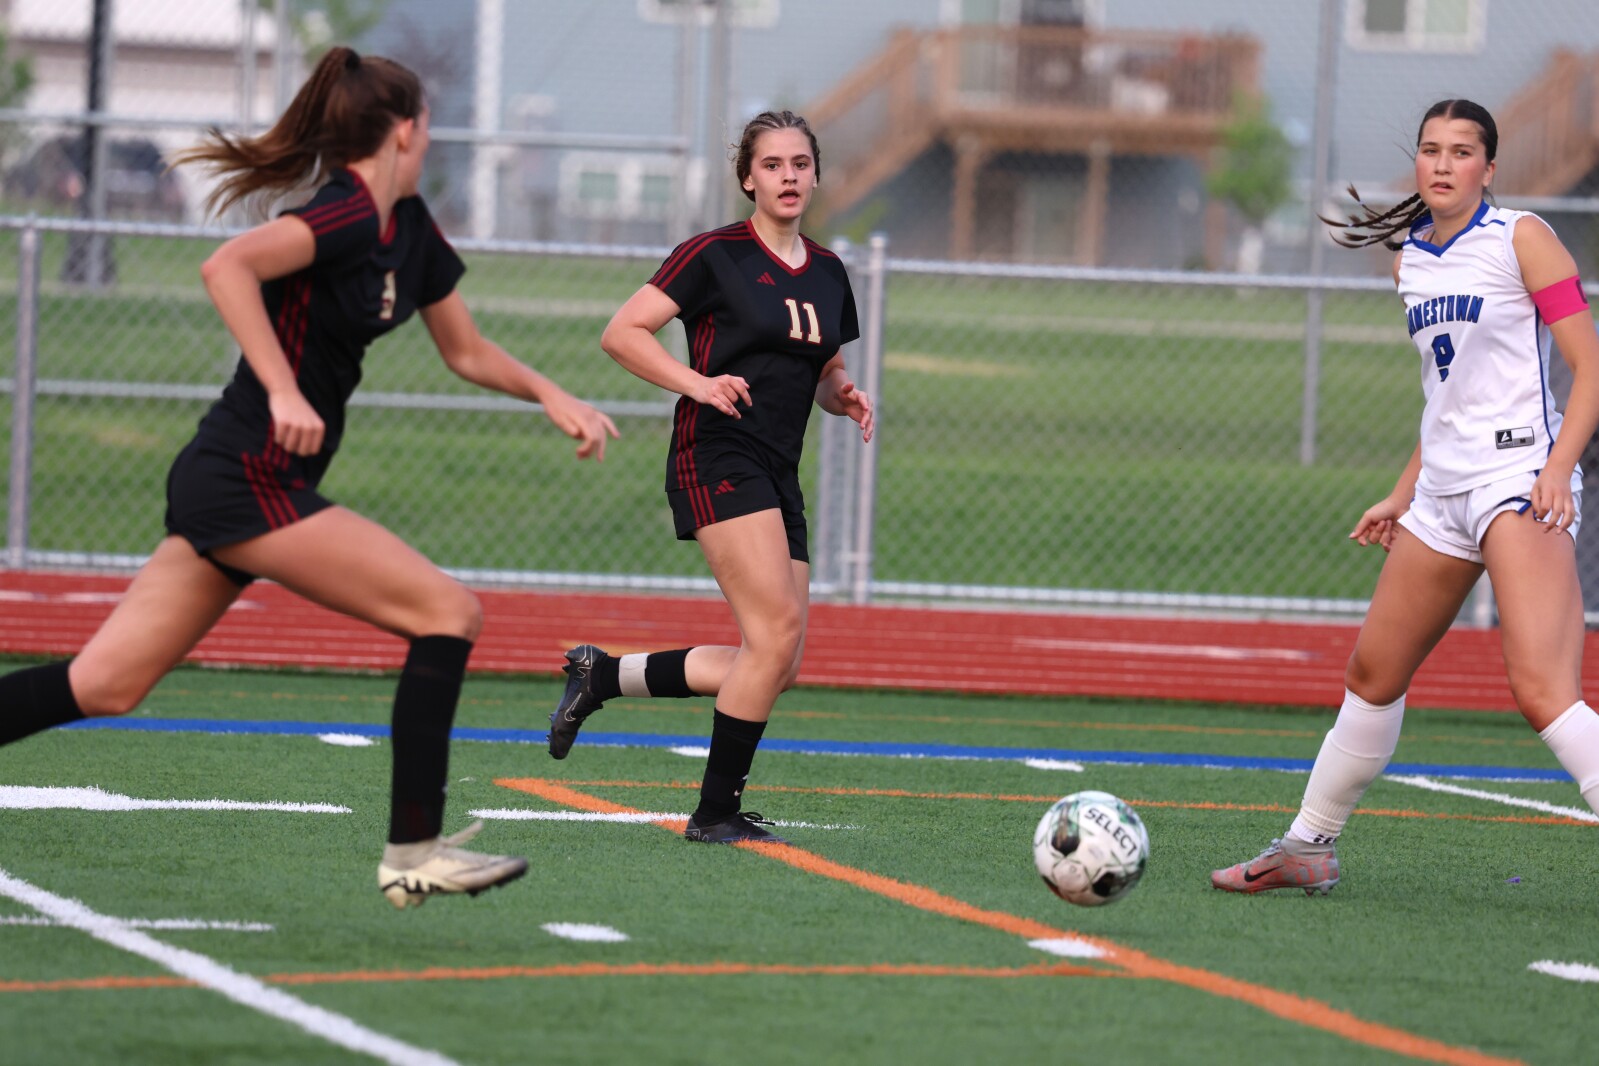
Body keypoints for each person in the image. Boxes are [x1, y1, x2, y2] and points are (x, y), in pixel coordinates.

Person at [0, 47, 618, 909]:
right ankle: (413, 851)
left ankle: (414, 850)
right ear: (404, 130)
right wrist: (283, 387)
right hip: (244, 473)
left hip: (242, 482)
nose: (431, 139)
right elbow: (229, 266)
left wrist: (553, 393)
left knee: (106, 683)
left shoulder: (409, 225)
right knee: (448, 611)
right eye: (429, 124)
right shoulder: (344, 217)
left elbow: (465, 349)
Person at [1212, 99, 1599, 895]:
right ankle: (1308, 846)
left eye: (1462, 152)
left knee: (1540, 690)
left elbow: (1589, 370)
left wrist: (1558, 467)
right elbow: (1447, 394)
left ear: (1488, 169)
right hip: (1443, 493)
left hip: (1516, 482)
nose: (1443, 163)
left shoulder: (1521, 237)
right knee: (1371, 672)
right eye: (1430, 149)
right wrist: (1401, 491)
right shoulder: (1410, 259)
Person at [545, 110, 874, 845]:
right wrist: (694, 383)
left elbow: (824, 370)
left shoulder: (827, 271)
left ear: (815, 173)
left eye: (799, 163)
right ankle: (714, 813)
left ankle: (602, 677)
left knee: (777, 662)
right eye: (772, 165)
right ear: (747, 178)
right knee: (774, 634)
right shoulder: (714, 255)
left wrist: (841, 394)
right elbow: (621, 332)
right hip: (716, 454)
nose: (787, 176)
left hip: (778, 468)